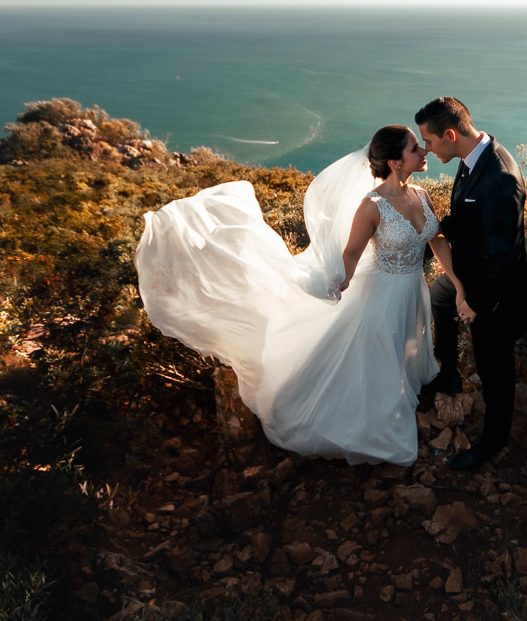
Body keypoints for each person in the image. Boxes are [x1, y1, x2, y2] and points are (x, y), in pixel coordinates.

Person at [134, 125, 471, 466]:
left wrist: (459, 285)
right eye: (416, 148)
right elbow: (352, 254)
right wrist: (339, 282)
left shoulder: (421, 196)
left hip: (412, 293)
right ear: (395, 162)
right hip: (379, 298)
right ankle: (377, 429)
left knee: (400, 353)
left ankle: (397, 401)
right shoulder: (372, 207)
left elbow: (437, 241)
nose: (424, 151)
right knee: (379, 359)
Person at [416, 97, 527, 471]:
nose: (426, 150)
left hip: (496, 296)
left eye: (429, 142)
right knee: (440, 295)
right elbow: (471, 219)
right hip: (472, 274)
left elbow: (504, 254)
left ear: (450, 135)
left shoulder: (500, 177)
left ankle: (493, 443)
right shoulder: (471, 160)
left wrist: (475, 301)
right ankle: (448, 375)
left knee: (494, 368)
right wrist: (433, 229)